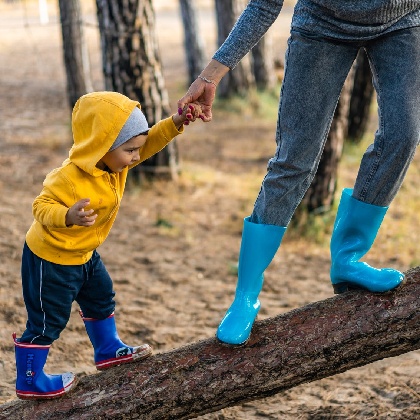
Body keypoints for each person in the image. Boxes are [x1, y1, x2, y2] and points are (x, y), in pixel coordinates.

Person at [178, 0, 420, 346]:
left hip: (402, 22)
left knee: (403, 136)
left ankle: (348, 258)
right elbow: (264, 5)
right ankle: (245, 296)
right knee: (295, 159)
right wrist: (211, 75)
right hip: (322, 26)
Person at [13, 91, 202, 400]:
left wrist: (176, 122)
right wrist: (67, 215)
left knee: (101, 297)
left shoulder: (116, 163)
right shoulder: (68, 178)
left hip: (85, 254)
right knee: (49, 320)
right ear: (102, 146)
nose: (136, 157)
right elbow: (40, 206)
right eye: (130, 150)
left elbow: (149, 141)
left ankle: (108, 349)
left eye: (136, 150)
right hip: (52, 259)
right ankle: (30, 379)